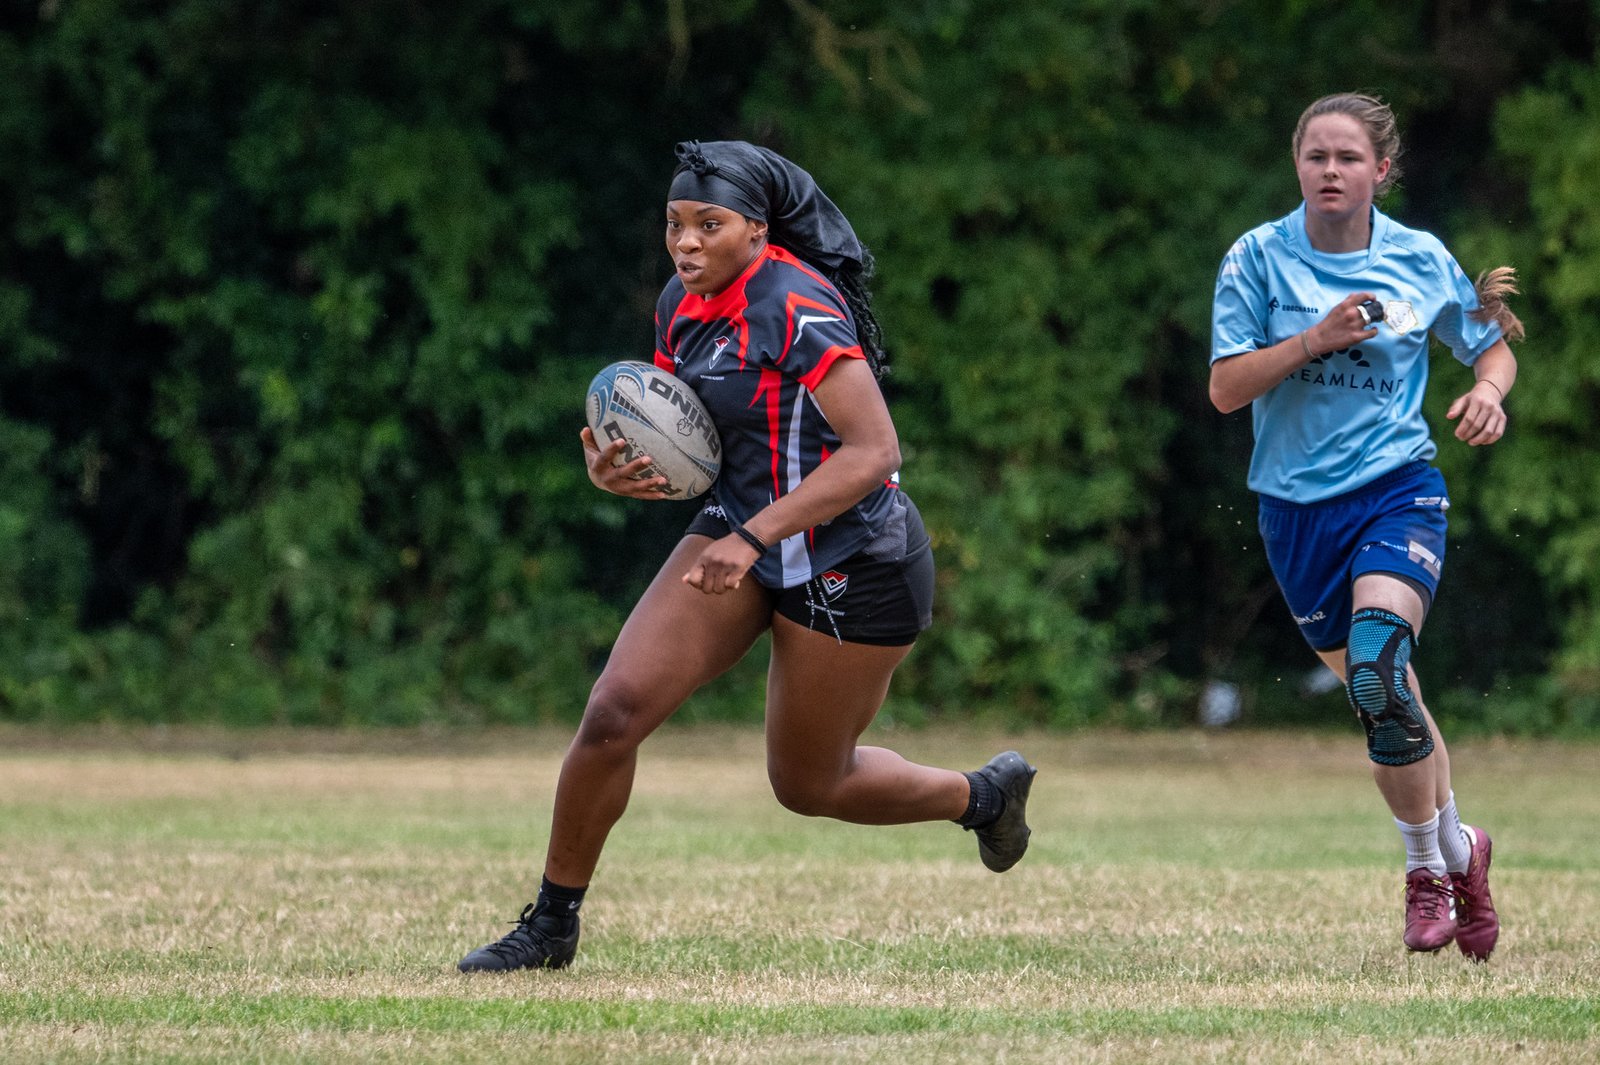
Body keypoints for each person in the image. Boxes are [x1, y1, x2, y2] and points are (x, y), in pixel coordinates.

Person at [458, 140, 1037, 972]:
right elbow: (691, 440)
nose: (686, 243)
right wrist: (622, 471)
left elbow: (873, 451)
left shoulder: (796, 307)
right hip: (740, 532)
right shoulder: (680, 306)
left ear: (758, 231)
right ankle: (551, 926)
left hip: (856, 554)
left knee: (809, 784)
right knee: (613, 711)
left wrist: (753, 537)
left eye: (709, 224)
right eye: (674, 225)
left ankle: (981, 794)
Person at [1209, 93, 1521, 961]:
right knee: (1388, 701)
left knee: (1381, 669)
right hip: (1295, 513)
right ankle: (1464, 851)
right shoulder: (1258, 259)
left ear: (1382, 170)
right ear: (1297, 164)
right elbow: (1227, 388)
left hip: (1397, 490)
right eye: (1316, 156)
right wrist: (1311, 339)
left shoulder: (1418, 259)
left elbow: (1491, 344)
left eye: (1349, 157)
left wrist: (1488, 390)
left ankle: (1424, 870)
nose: (1331, 171)